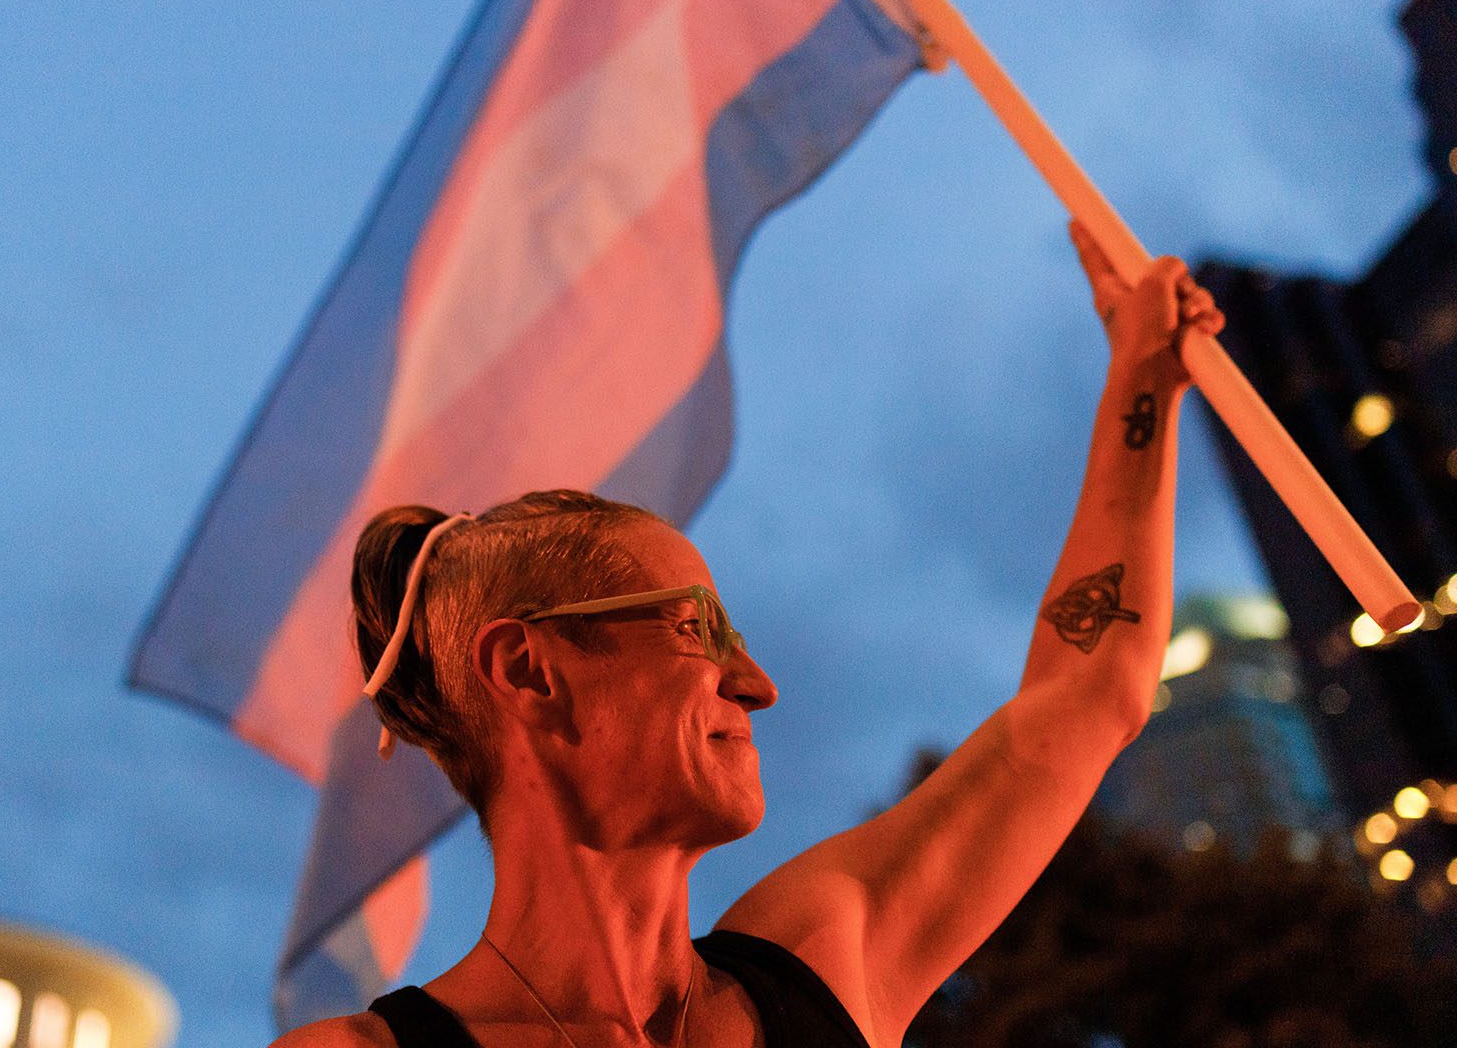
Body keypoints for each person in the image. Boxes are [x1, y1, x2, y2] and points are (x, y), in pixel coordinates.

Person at [273, 224, 1226, 1048]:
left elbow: (1088, 695)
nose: (758, 682)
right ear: (530, 670)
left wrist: (1141, 381)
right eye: (699, 630)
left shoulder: (826, 962)